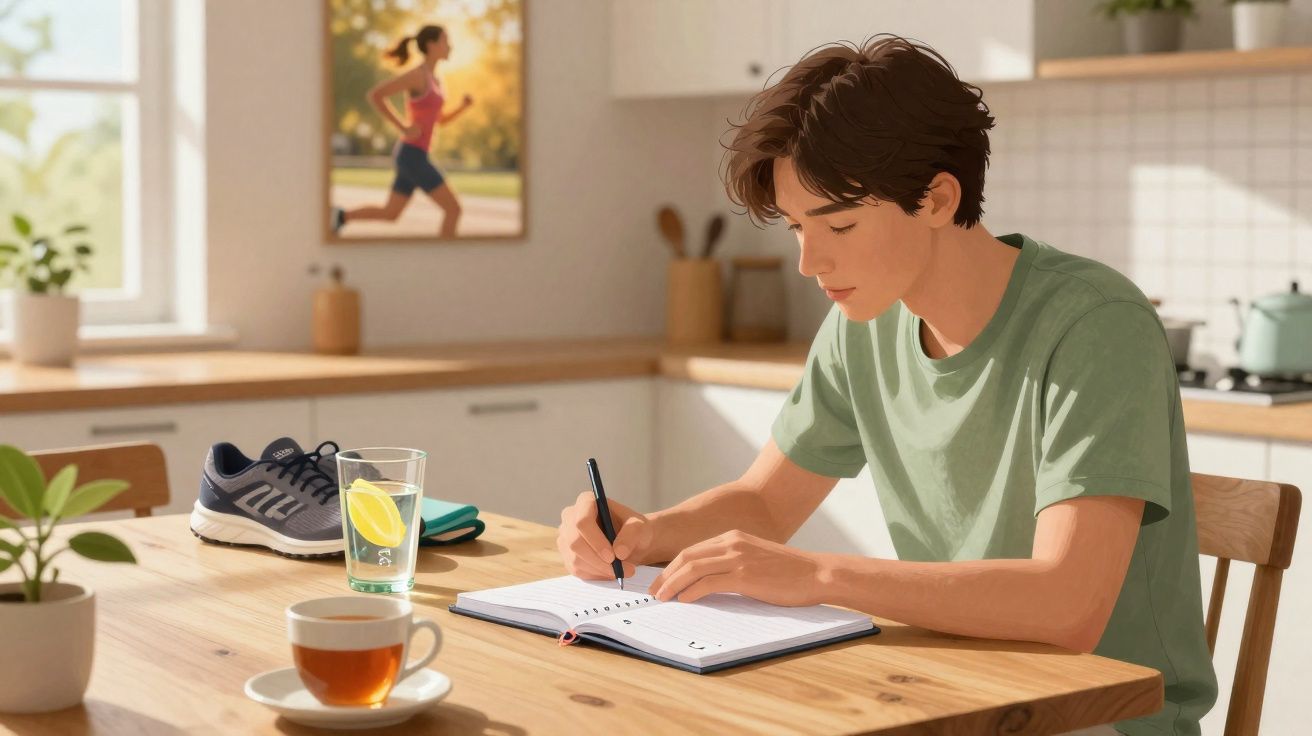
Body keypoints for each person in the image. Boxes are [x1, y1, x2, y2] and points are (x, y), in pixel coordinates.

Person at [556, 36, 1216, 736]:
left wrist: (818, 577)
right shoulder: (863, 324)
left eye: (838, 223)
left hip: (1097, 717)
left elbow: (1067, 605)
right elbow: (764, 503)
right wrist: (646, 534)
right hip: (951, 696)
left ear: (936, 198)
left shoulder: (1094, 324)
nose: (810, 261)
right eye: (797, 227)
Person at [331, 25, 473, 239]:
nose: (450, 45)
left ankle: (339, 217)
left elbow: (439, 120)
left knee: (391, 213)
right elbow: (376, 95)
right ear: (431, 45)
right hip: (412, 155)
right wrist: (403, 127)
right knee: (453, 209)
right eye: (445, 40)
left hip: (413, 154)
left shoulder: (436, 80)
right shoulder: (418, 75)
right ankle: (446, 259)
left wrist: (462, 108)